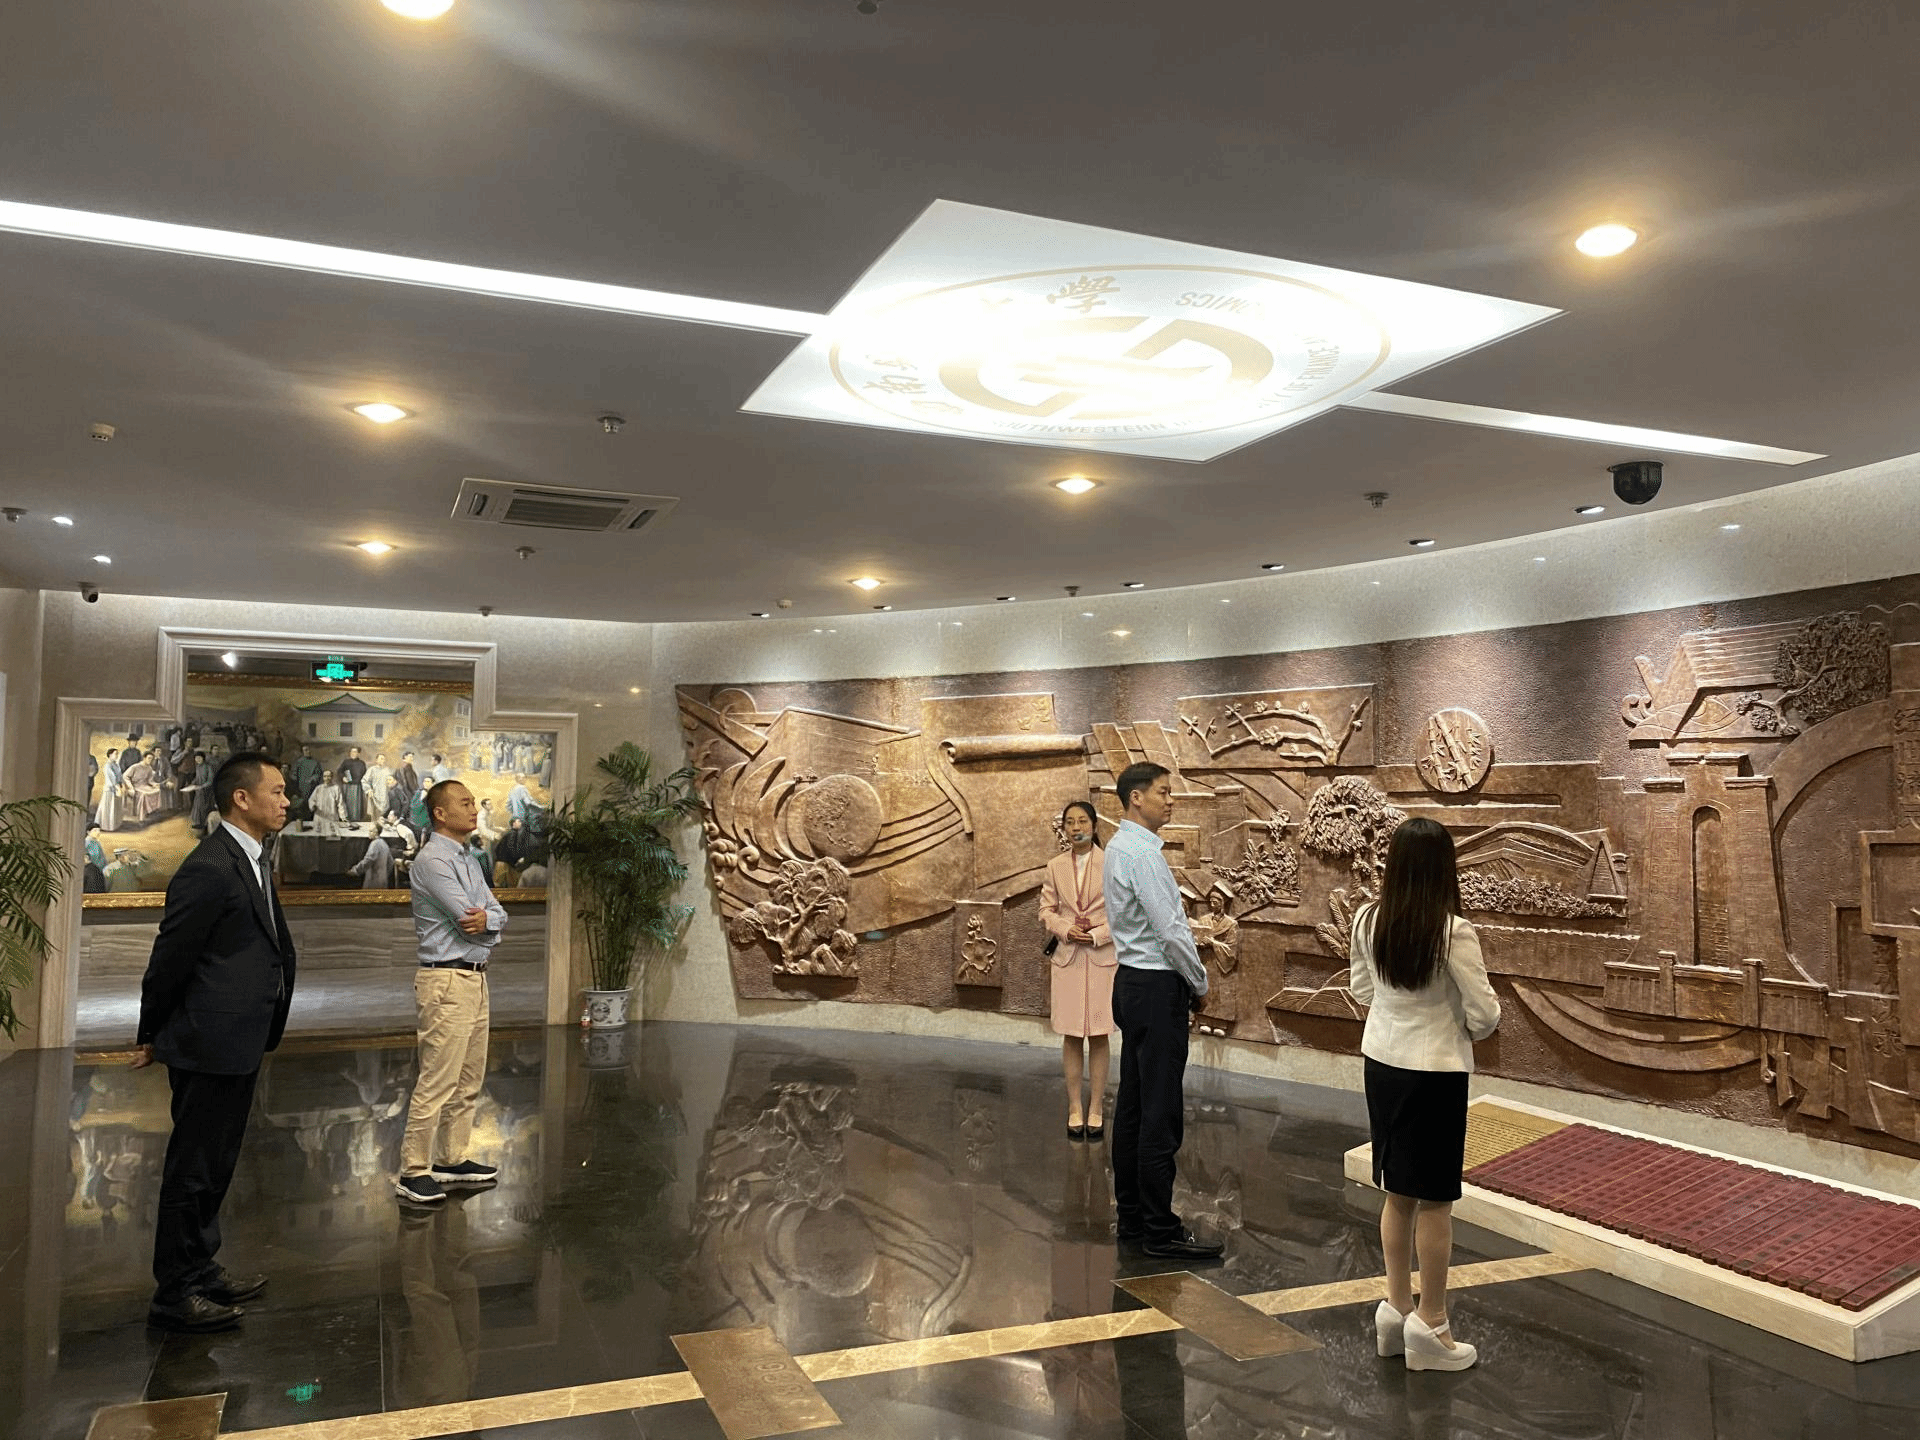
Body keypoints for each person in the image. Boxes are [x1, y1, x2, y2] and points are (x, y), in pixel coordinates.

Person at [132, 752, 296, 1332]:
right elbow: (170, 958)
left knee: (216, 1164)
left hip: (237, 1038)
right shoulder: (210, 866)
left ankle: (200, 1269)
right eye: (277, 791)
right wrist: (151, 1032)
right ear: (241, 799)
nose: (286, 801)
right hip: (207, 1039)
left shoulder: (250, 857)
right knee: (193, 1168)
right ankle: (175, 1292)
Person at [1349, 817, 1501, 1373]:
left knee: (1397, 1192)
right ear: (1443, 870)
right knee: (1436, 1200)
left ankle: (1396, 1309)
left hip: (1381, 1065)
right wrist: (1461, 1025)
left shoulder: (1367, 918)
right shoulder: (1453, 931)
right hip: (1435, 1072)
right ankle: (1433, 1324)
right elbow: (1485, 1014)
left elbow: (1361, 990)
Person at [1102, 762, 1221, 1261]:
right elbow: (1171, 931)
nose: (1170, 801)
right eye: (1163, 792)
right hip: (1155, 987)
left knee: (1133, 1106)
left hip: (1131, 982)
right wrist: (1199, 982)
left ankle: (1133, 1217)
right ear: (1136, 798)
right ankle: (1159, 1229)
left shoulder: (1117, 847)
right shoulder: (1143, 855)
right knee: (1159, 1111)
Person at [395, 780, 506, 1205]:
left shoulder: (468, 858)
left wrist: (490, 922)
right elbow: (466, 919)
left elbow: (495, 913)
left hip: (474, 977)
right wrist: (487, 923)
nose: (474, 808)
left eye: (474, 802)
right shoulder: (432, 861)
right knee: (438, 1080)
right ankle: (414, 1170)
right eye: (464, 802)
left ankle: (451, 1158)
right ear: (440, 813)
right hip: (445, 979)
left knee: (468, 1077)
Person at [1040, 800, 1116, 1140]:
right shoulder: (1055, 866)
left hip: (1101, 958)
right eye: (1069, 822)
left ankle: (1096, 1107)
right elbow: (1046, 910)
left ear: (1094, 825)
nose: (1075, 827)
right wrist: (1064, 928)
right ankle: (1074, 1107)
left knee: (1099, 1034)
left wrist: (1098, 934)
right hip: (1068, 957)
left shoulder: (1111, 863)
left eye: (1082, 821)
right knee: (1071, 1035)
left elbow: (1124, 913)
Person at [492, 816, 533, 887]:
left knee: (499, 886)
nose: (520, 823)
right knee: (511, 886)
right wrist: (519, 858)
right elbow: (512, 849)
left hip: (502, 863)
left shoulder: (509, 833)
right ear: (514, 823)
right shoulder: (513, 834)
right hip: (505, 864)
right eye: (518, 821)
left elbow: (497, 849)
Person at [310, 769, 347, 838]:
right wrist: (313, 806)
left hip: (332, 818)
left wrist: (343, 817)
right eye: (325, 776)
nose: (327, 778)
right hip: (320, 817)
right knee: (319, 838)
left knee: (332, 838)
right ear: (323, 777)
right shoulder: (318, 788)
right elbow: (311, 800)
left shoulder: (336, 788)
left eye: (329, 776)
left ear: (332, 777)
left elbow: (340, 803)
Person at [338, 746, 369, 825]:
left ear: (358, 753)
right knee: (346, 803)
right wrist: (343, 777)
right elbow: (340, 771)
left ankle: (356, 821)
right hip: (347, 786)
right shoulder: (346, 762)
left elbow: (365, 775)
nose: (353, 753)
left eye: (355, 752)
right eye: (352, 752)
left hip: (357, 786)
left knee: (356, 806)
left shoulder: (361, 763)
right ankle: (346, 820)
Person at [366, 752, 395, 819]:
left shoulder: (387, 770)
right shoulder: (372, 769)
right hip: (375, 794)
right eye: (381, 759)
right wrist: (369, 790)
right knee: (375, 816)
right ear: (376, 760)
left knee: (384, 815)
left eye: (384, 759)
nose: (383, 761)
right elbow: (365, 781)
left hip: (385, 795)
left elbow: (391, 781)